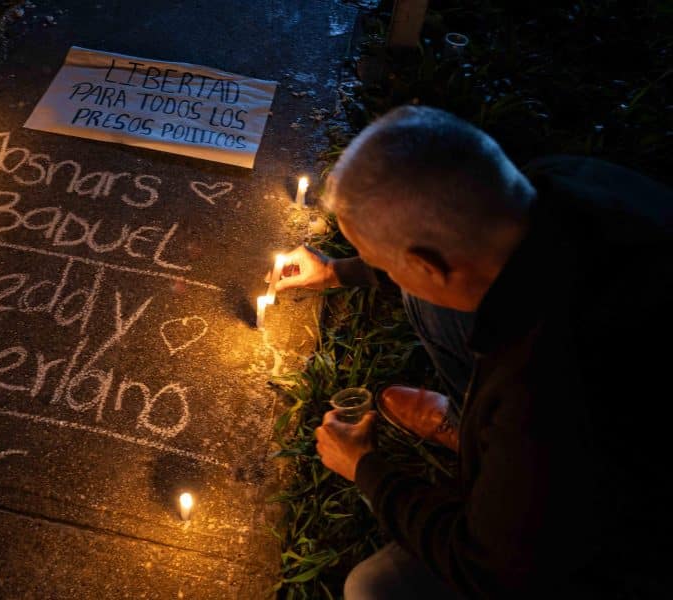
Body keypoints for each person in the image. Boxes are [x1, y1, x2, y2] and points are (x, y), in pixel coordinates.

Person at [274, 105, 673, 598]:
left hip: (634, 545)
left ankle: (495, 463)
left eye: (387, 265)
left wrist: (366, 469)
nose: (384, 274)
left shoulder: (548, 390)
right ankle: (477, 436)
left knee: (373, 587)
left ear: (428, 263)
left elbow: (486, 567)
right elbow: (442, 248)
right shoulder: (564, 186)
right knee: (423, 299)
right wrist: (339, 271)